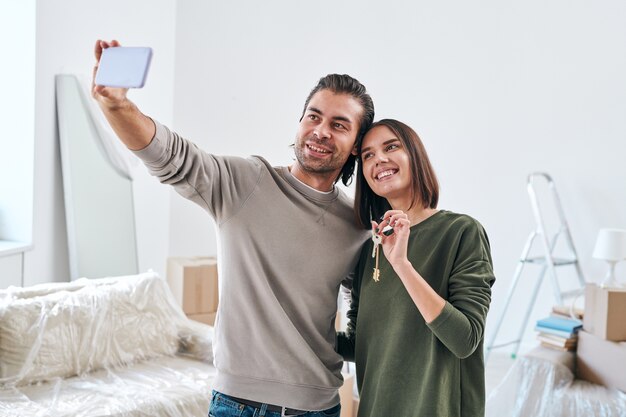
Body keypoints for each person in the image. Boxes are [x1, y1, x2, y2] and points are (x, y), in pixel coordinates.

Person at [91, 40, 374, 416]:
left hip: (319, 407)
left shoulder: (356, 226)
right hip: (238, 405)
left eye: (339, 125)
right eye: (313, 116)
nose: (321, 131)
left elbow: (363, 322)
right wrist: (116, 104)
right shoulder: (247, 183)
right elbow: (169, 155)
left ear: (356, 145)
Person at [337, 119, 496, 417]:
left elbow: (465, 340)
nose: (379, 159)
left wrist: (401, 264)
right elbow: (361, 345)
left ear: (416, 156)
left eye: (391, 146)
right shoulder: (369, 249)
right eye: (368, 155)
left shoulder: (461, 232)